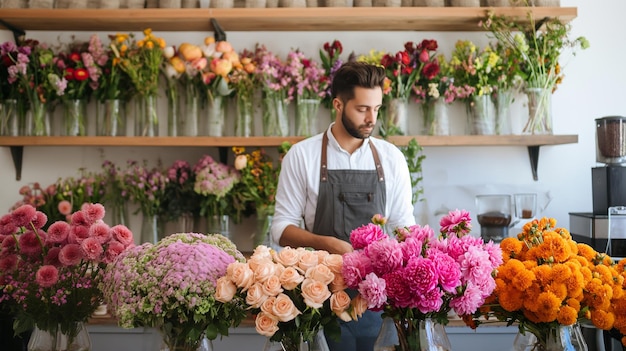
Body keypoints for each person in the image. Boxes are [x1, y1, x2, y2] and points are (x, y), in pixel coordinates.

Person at [270, 61, 416, 351]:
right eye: (362, 109)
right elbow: (280, 228)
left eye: (377, 108)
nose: (371, 118)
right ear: (338, 104)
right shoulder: (302, 156)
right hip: (318, 297)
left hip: (377, 300)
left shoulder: (392, 158)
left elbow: (404, 229)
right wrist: (327, 244)